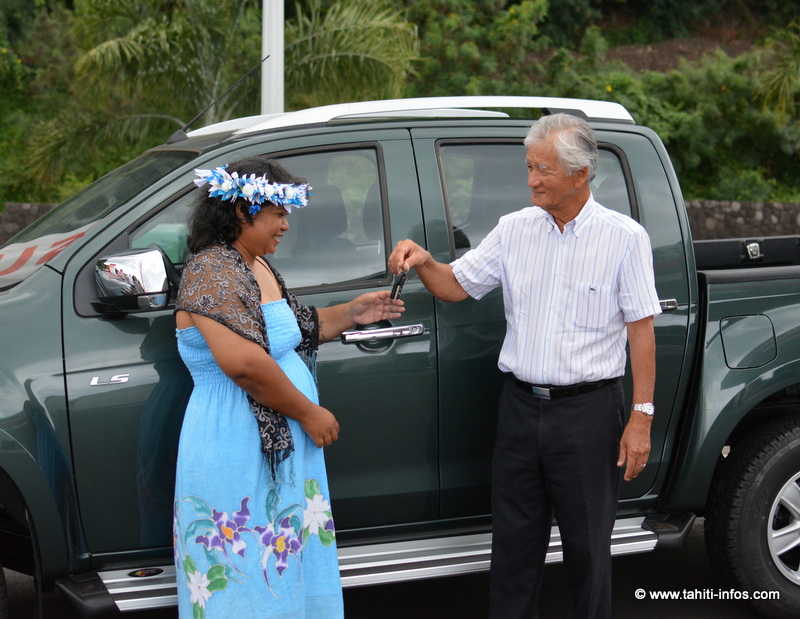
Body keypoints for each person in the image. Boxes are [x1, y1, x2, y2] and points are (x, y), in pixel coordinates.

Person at [388, 113, 661, 619]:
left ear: (580, 175)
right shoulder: (514, 230)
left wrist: (640, 419)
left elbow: (640, 331)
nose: (532, 179)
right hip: (519, 410)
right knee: (512, 552)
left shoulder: (624, 238)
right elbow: (455, 287)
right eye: (529, 167)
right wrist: (424, 260)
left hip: (589, 413)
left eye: (544, 170)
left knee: (587, 553)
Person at [173, 156, 404, 617]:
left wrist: (352, 314)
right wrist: (308, 413)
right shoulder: (213, 269)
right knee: (241, 575)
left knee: (280, 567)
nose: (285, 224)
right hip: (237, 443)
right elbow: (245, 365)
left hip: (273, 446)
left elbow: (296, 328)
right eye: (279, 213)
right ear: (244, 210)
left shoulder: (253, 264)